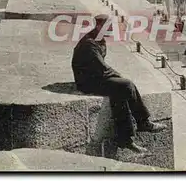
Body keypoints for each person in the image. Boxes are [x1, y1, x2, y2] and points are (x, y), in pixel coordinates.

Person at [71, 14, 166, 153]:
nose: (111, 29)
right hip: (87, 82)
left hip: (95, 76)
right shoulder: (89, 43)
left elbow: (100, 68)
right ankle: (142, 123)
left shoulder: (98, 39)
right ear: (98, 26)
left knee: (120, 92)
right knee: (126, 85)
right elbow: (101, 67)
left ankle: (126, 138)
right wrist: (118, 76)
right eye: (108, 26)